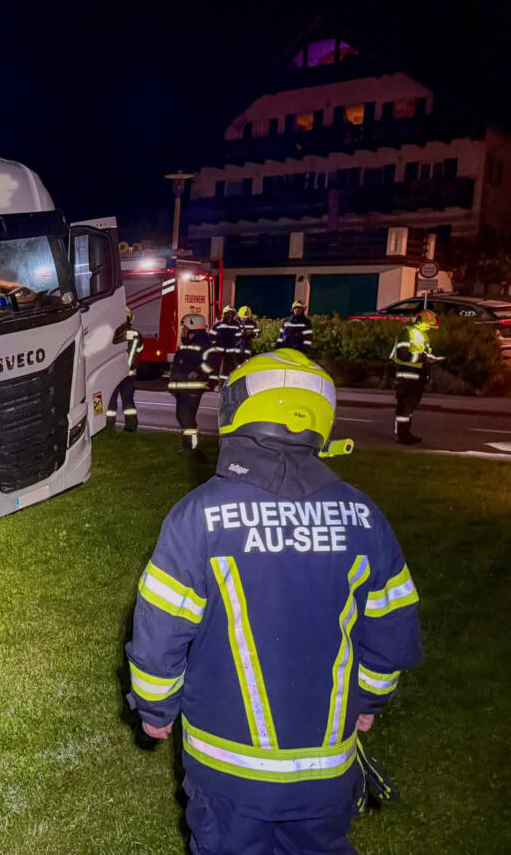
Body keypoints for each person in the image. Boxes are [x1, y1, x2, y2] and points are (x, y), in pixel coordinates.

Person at [126, 348, 423, 854]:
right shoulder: (364, 517)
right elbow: (392, 628)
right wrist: (369, 700)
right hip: (326, 771)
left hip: (229, 775)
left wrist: (155, 708)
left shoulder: (197, 517)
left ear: (236, 410)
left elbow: (160, 631)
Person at [390, 310, 442, 445]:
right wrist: (424, 357)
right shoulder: (406, 332)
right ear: (420, 321)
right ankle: (402, 436)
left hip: (417, 378)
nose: (429, 328)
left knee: (409, 407)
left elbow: (419, 355)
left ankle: (406, 434)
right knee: (404, 407)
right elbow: (403, 354)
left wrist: (427, 359)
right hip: (406, 376)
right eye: (427, 325)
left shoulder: (423, 336)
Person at [168, 314, 214, 450]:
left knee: (186, 417)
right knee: (183, 416)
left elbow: (212, 363)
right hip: (182, 388)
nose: (183, 331)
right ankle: (188, 444)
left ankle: (191, 447)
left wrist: (198, 372)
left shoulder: (204, 344)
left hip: (192, 388)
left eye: (185, 328)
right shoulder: (188, 344)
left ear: (192, 328)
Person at [111, 308, 142, 432]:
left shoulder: (113, 332)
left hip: (114, 373)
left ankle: (108, 427)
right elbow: (138, 351)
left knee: (111, 402)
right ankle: (131, 427)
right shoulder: (136, 334)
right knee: (128, 401)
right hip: (129, 375)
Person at [208, 305, 240, 384]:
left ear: (233, 314)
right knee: (215, 367)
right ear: (224, 314)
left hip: (230, 350)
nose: (229, 315)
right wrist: (214, 343)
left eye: (231, 313)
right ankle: (212, 384)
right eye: (228, 313)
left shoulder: (236, 324)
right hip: (219, 350)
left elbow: (239, 336)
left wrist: (236, 345)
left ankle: (222, 384)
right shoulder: (218, 324)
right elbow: (211, 336)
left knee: (226, 369)